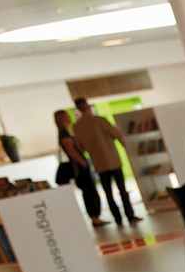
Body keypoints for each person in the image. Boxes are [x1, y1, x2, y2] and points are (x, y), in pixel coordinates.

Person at [70, 97, 140, 225]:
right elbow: (117, 134)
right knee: (122, 190)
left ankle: (117, 218)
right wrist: (124, 144)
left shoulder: (77, 127)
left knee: (108, 193)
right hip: (112, 160)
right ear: (88, 107)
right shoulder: (100, 120)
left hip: (99, 163)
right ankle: (129, 215)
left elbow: (80, 147)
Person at [55, 109, 107, 228]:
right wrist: (82, 162)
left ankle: (95, 216)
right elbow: (71, 150)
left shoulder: (66, 131)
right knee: (89, 191)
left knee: (90, 190)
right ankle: (94, 216)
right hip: (79, 166)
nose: (69, 118)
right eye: (67, 116)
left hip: (80, 164)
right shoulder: (64, 133)